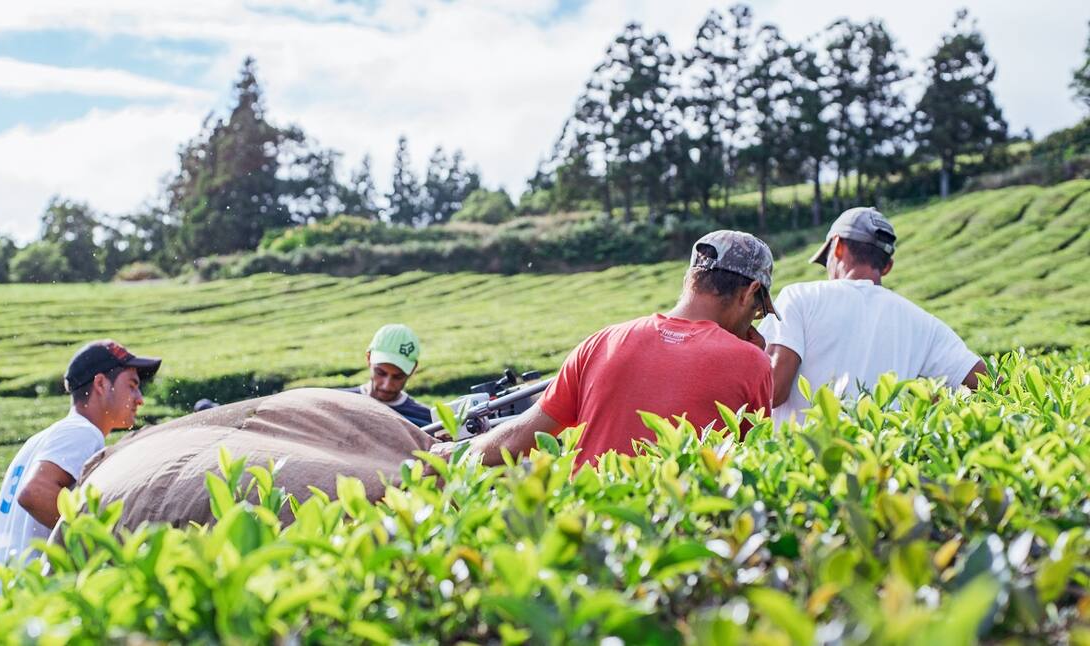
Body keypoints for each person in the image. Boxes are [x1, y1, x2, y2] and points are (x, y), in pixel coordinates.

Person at [430, 230, 777, 469]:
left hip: (591, 534)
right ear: (750, 292)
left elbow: (517, 439)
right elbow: (750, 463)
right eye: (758, 309)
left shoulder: (602, 342)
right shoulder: (752, 362)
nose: (754, 320)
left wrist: (452, 453)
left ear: (690, 280)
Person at [758, 207, 987, 426]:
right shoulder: (922, 323)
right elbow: (987, 381)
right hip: (879, 461)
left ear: (837, 246)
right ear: (887, 267)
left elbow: (773, 392)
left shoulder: (800, 297)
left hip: (803, 460)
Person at [0, 340, 160, 571]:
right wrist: (103, 546)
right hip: (26, 591)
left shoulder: (42, 438)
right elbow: (35, 493)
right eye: (132, 385)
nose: (140, 398)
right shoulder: (83, 432)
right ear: (101, 384)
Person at [340, 324, 432, 427]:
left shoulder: (428, 420)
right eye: (380, 373)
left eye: (398, 377)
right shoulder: (337, 402)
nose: (387, 386)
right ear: (368, 358)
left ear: (413, 369)